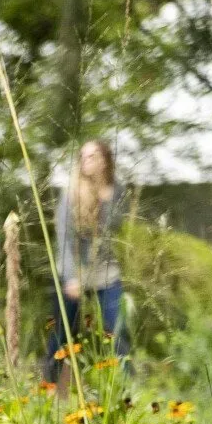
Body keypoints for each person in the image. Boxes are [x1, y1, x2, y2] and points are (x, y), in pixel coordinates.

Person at [46, 139, 128, 380]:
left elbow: (116, 227)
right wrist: (70, 277)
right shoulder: (70, 193)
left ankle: (124, 388)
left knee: (118, 331)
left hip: (106, 273)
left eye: (92, 156)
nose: (86, 161)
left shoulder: (117, 191)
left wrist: (105, 198)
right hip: (75, 273)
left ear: (104, 161)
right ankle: (48, 386)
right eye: (83, 157)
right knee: (62, 333)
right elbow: (64, 238)